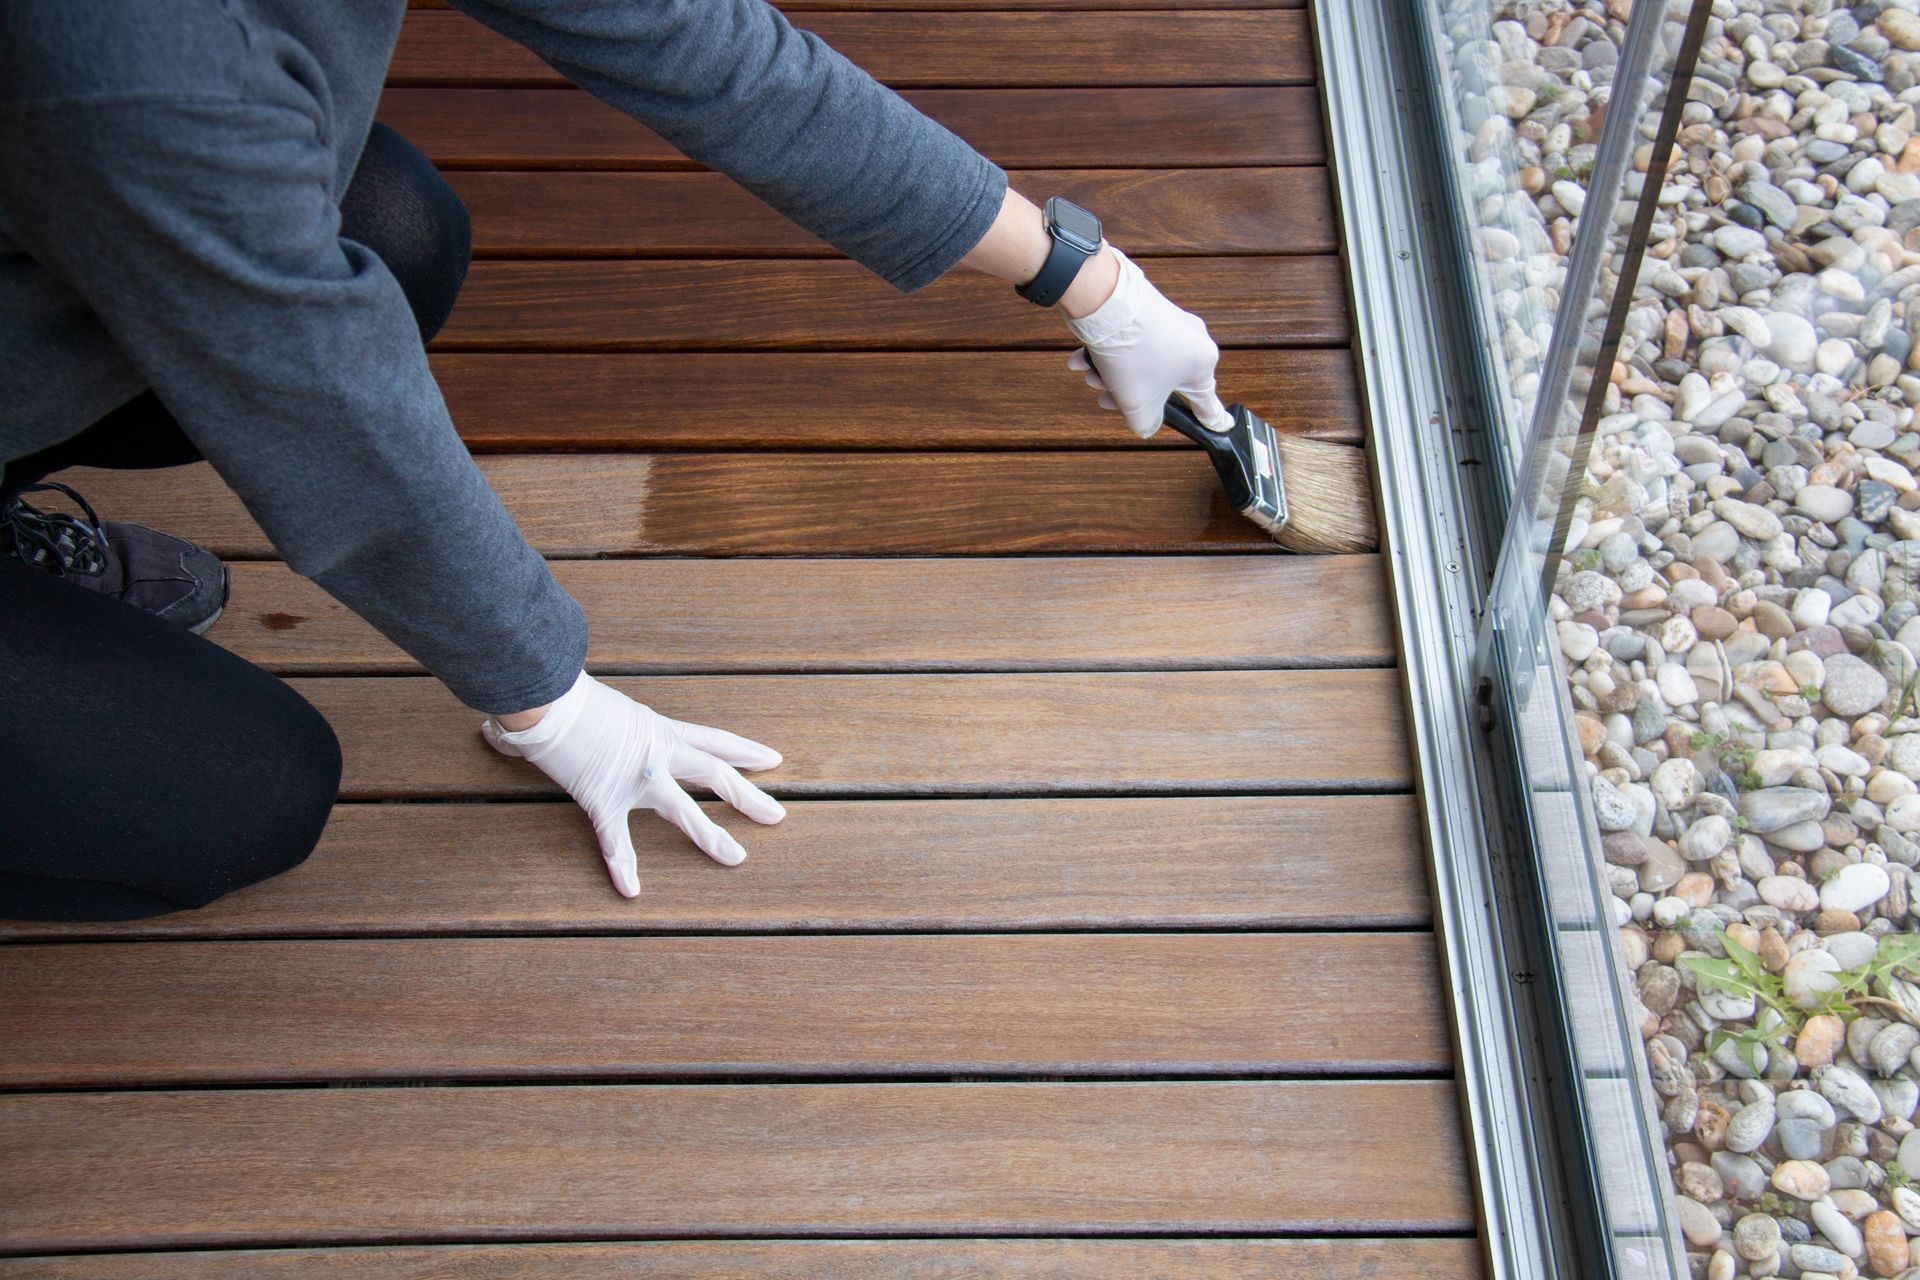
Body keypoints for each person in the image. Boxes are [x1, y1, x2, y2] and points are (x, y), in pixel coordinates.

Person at [0, 0, 1236, 921]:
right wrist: (549, 697)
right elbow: (321, 401)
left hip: (90, 209)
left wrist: (1084, 277)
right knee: (238, 796)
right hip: (120, 129)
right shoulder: (130, 67)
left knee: (392, 227)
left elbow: (703, 47)